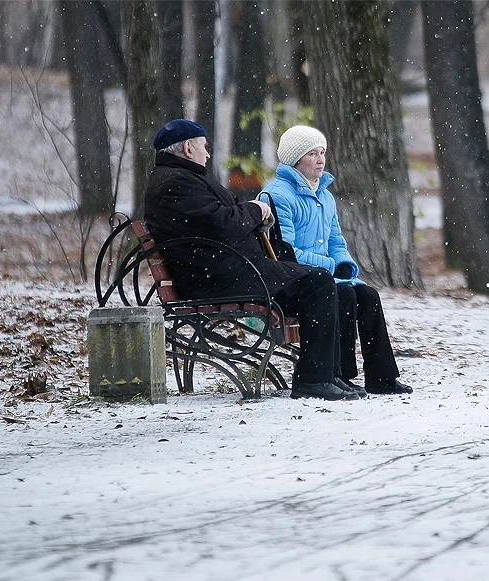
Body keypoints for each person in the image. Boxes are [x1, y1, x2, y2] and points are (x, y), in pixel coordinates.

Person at [143, 119, 360, 401]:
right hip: (218, 279)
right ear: (187, 148)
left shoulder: (181, 179)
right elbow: (220, 223)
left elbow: (219, 219)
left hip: (229, 271)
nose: (207, 154)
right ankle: (313, 380)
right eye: (204, 148)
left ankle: (331, 376)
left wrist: (251, 215)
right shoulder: (175, 183)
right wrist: (256, 210)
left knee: (336, 288)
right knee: (317, 281)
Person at [259, 125, 412, 395]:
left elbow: (336, 240)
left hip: (322, 277)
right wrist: (330, 267)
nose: (320, 160)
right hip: (292, 281)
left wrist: (344, 264)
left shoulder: (325, 196)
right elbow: (285, 253)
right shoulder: (277, 195)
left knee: (367, 295)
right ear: (295, 159)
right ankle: (341, 374)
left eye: (322, 153)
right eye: (311, 154)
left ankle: (382, 377)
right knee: (344, 295)